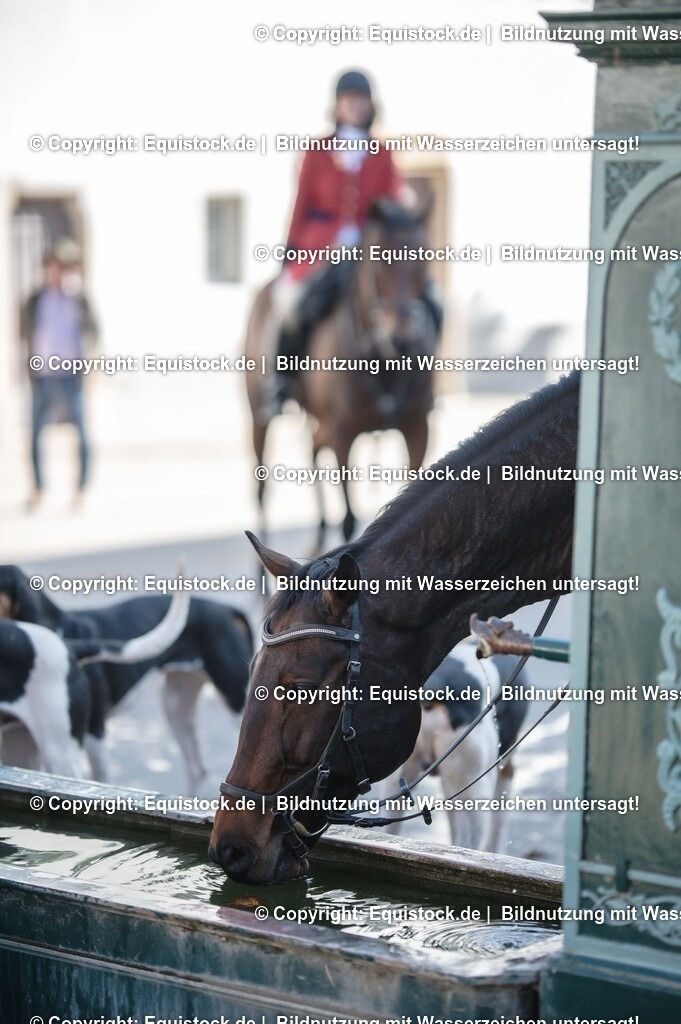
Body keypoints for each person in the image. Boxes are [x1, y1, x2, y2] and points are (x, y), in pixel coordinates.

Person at [261, 70, 408, 418]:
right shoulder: (317, 152)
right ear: (338, 106)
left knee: (416, 299)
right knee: (290, 304)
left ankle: (416, 385)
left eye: (361, 100)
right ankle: (281, 382)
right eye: (349, 100)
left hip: (368, 254)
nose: (355, 106)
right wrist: (289, 253)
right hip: (319, 251)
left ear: (371, 105)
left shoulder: (382, 153)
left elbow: (392, 198)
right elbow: (301, 206)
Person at [21, 240, 98, 508]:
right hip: (42, 375)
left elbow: (92, 332)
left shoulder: (77, 299)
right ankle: (39, 489)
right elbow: (26, 332)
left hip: (69, 376)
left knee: (83, 435)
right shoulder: (35, 299)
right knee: (34, 435)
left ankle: (82, 489)